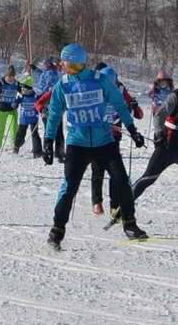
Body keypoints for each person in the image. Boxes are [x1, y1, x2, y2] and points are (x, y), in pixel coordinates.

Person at [44, 43, 149, 249]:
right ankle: (57, 231)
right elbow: (54, 113)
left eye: (68, 64)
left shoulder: (100, 80)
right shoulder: (63, 85)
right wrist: (48, 141)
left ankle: (130, 224)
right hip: (78, 143)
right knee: (69, 187)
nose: (64, 67)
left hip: (104, 142)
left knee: (121, 180)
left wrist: (132, 129)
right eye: (64, 64)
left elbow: (119, 103)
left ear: (78, 64)